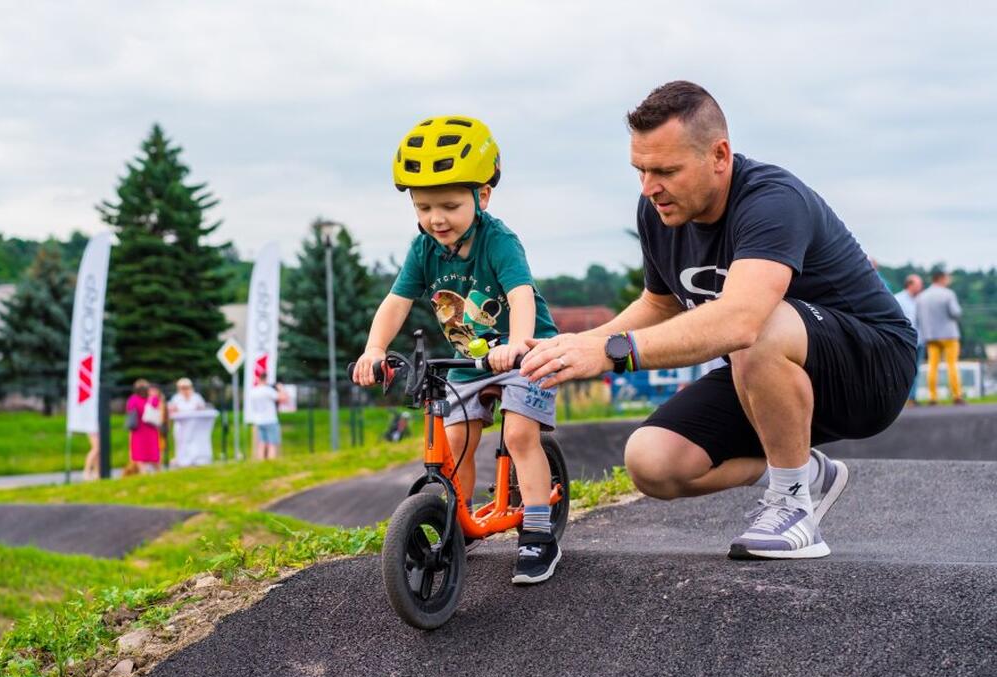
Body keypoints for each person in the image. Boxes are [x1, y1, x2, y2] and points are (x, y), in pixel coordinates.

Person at [521, 81, 916, 560]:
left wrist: (611, 352)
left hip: (871, 368)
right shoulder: (658, 212)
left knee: (757, 324)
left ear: (719, 156)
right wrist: (574, 346)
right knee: (652, 461)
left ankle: (793, 505)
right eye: (641, 170)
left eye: (666, 171)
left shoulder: (772, 200)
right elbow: (659, 304)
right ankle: (807, 473)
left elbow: (740, 321)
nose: (649, 188)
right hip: (766, 369)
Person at [352, 115, 562, 584]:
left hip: (526, 352)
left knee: (519, 436)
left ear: (482, 196)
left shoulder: (499, 241)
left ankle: (538, 532)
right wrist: (374, 348)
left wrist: (518, 344)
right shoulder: (423, 249)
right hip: (469, 360)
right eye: (423, 206)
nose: (436, 219)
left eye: (449, 205)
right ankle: (457, 520)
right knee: (455, 443)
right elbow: (396, 302)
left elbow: (520, 296)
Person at [916, 270, 965, 405]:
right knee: (952, 365)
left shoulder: (922, 296)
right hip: (949, 335)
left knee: (932, 366)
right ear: (942, 279)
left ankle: (933, 397)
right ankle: (956, 395)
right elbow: (956, 312)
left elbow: (918, 317)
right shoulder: (948, 294)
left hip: (931, 335)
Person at [893, 274, 925, 405]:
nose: (921, 287)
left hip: (919, 340)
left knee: (916, 371)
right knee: (902, 370)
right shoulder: (898, 299)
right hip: (904, 341)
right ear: (910, 285)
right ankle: (899, 399)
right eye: (919, 285)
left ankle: (912, 398)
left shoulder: (920, 300)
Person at [126, 379, 161, 473]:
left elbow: (130, 411)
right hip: (151, 430)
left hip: (138, 430)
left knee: (140, 456)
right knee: (154, 456)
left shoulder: (132, 399)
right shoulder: (152, 399)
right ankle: (159, 473)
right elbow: (158, 407)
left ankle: (143, 473)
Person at [249, 378, 287, 459]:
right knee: (272, 444)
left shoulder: (253, 391)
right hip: (270, 420)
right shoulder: (268, 390)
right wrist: (281, 388)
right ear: (265, 379)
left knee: (262, 444)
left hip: (259, 421)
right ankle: (271, 463)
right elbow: (283, 398)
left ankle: (261, 463)